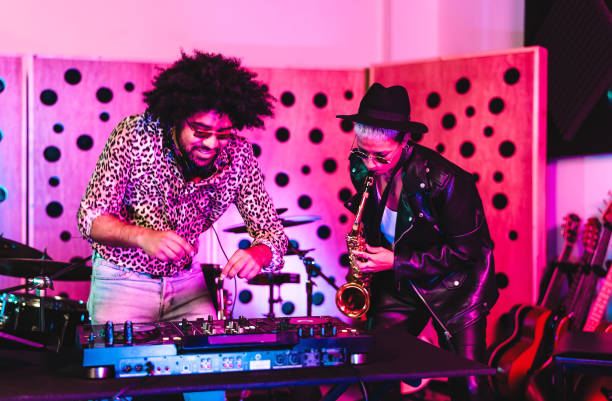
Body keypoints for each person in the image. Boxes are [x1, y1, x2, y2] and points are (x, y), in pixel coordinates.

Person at [77, 50, 287, 328]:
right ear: (177, 116)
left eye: (223, 134)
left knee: (206, 365)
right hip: (122, 279)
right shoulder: (134, 134)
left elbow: (273, 234)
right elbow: (91, 219)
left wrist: (259, 253)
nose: (212, 144)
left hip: (187, 284)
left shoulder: (239, 155)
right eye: (200, 132)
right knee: (121, 367)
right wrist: (143, 237)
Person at [337, 83, 498, 401]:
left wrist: (395, 261)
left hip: (456, 290)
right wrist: (367, 260)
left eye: (381, 156)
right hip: (401, 284)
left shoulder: (448, 181)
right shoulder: (362, 167)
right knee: (376, 373)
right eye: (362, 152)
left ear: (405, 141)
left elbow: (467, 252)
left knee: (469, 386)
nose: (369, 164)